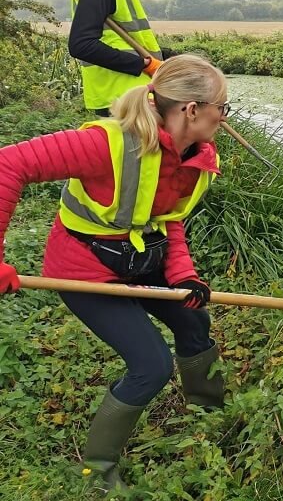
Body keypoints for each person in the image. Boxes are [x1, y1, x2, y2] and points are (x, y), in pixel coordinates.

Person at [0, 55, 228, 491]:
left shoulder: (193, 154)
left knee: (194, 320)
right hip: (86, 273)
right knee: (151, 365)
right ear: (191, 109)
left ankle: (207, 411)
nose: (224, 116)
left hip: (141, 261)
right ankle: (97, 470)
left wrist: (182, 273)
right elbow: (7, 164)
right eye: (222, 105)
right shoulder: (107, 144)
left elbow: (167, 217)